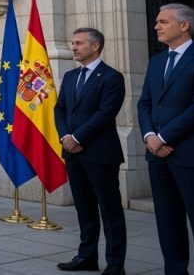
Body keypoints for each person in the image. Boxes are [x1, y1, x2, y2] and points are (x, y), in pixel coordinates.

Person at [137, 3, 194, 275]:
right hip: (158, 156)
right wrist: (151, 136)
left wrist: (163, 137)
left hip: (193, 155)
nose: (156, 27)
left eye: (163, 22)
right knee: (168, 222)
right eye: (157, 22)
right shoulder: (156, 62)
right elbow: (145, 104)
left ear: (184, 25)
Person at [54, 28, 126, 274]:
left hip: (100, 153)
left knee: (109, 209)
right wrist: (65, 137)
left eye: (79, 43)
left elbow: (105, 114)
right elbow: (60, 108)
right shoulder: (71, 76)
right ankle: (87, 257)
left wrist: (77, 137)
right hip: (73, 152)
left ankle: (116, 263)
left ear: (95, 46)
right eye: (72, 43)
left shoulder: (112, 77)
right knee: (84, 208)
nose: (74, 47)